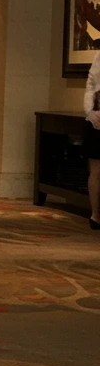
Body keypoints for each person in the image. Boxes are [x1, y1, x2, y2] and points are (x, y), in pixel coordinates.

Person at [84, 48, 100, 230]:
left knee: (96, 170)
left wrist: (90, 111)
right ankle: (96, 215)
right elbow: (91, 85)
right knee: (96, 169)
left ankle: (96, 215)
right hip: (96, 117)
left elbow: (90, 85)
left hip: (95, 114)